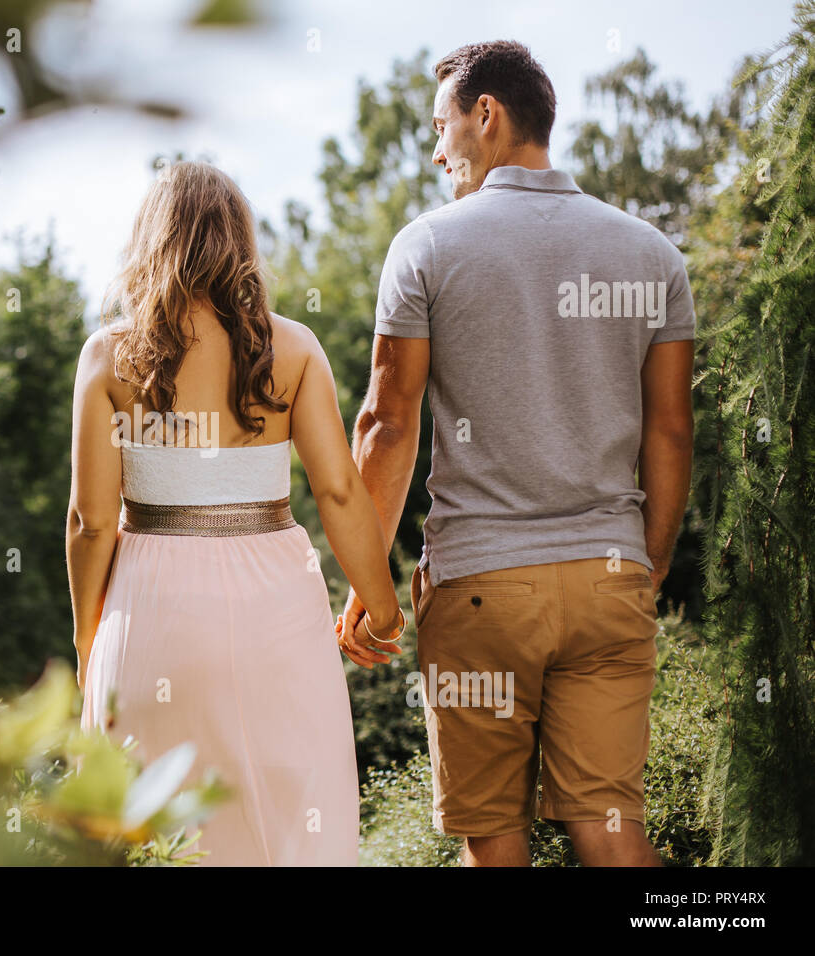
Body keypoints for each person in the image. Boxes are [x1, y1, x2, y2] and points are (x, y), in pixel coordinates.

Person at [338, 40, 696, 867]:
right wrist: (644, 562)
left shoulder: (426, 248)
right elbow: (671, 432)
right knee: (612, 835)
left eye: (441, 127)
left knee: (495, 849)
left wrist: (366, 578)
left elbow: (388, 426)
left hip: (481, 592)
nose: (436, 151)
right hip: (610, 579)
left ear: (486, 116)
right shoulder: (652, 254)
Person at [67, 160, 402, 865]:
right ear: (239, 243)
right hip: (276, 611)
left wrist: (86, 640)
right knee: (290, 812)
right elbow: (338, 490)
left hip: (149, 613)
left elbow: (89, 523)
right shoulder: (295, 348)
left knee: (153, 822)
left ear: (152, 242)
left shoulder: (108, 355)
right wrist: (379, 607)